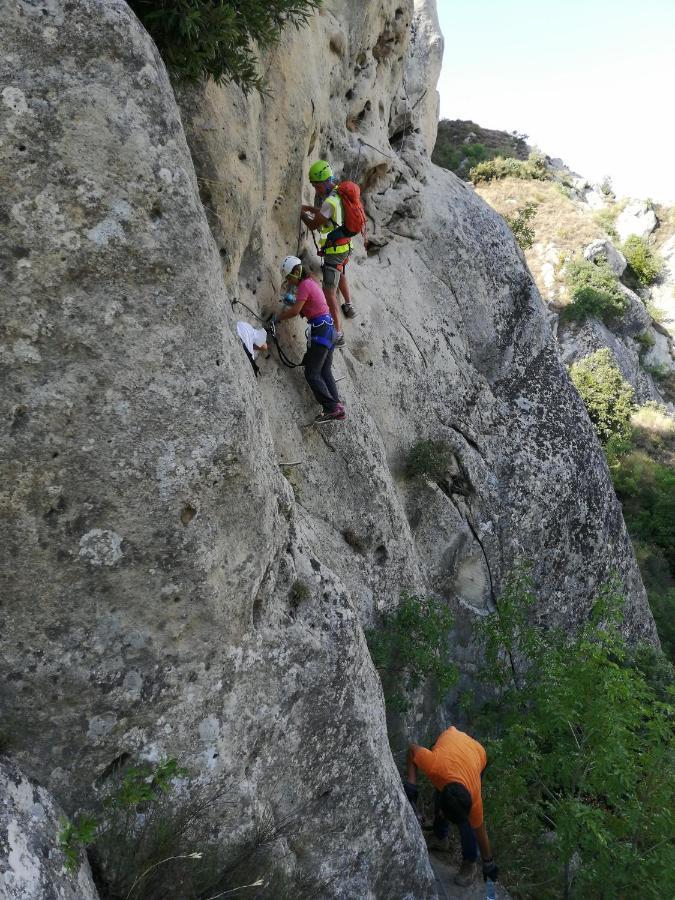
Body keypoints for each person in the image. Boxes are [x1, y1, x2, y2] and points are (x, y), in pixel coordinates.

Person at [405, 726, 499, 887]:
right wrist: (411, 784)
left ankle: (470, 863)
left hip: (477, 754)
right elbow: (412, 749)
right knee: (442, 796)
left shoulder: (473, 798)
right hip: (450, 741)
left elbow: (480, 829)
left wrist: (488, 862)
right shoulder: (434, 766)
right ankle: (440, 838)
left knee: (468, 824)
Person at [268, 255, 345, 424]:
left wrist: (277, 318)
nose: (289, 281)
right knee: (324, 370)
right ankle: (337, 406)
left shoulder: (304, 285)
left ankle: (332, 407)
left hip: (321, 330)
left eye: (289, 277)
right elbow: (309, 307)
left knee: (312, 372)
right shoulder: (312, 282)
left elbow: (296, 311)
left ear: (295, 272)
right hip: (329, 329)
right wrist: (294, 302)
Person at [300, 160, 356, 340]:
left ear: (322, 181)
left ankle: (338, 334)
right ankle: (348, 305)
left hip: (335, 250)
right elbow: (329, 213)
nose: (315, 189)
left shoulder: (329, 201)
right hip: (347, 245)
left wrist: (301, 213)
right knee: (341, 273)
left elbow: (314, 224)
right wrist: (310, 208)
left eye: (315, 185)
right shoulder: (339, 192)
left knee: (329, 291)